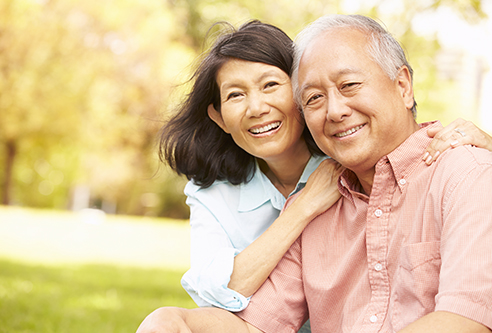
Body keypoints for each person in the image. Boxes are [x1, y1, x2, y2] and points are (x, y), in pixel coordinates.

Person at [137, 16, 492, 333]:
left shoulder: (465, 176)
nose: (335, 110)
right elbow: (258, 323)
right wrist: (177, 322)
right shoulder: (320, 201)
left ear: (403, 86)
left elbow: (466, 320)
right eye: (314, 98)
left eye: (349, 85)